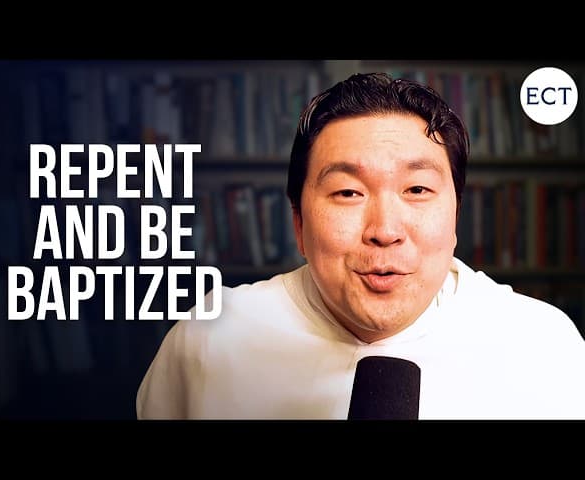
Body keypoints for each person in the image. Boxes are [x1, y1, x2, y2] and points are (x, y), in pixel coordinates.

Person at [135, 72, 585, 420]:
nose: (385, 230)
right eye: (348, 192)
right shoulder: (209, 341)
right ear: (298, 223)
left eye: (417, 190)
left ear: (455, 218)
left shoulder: (543, 346)